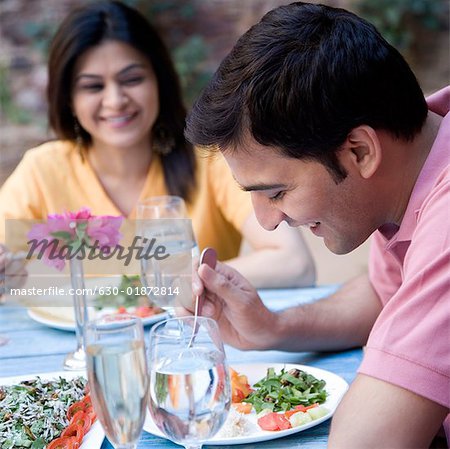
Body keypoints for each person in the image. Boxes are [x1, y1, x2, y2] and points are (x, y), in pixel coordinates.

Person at [184, 2, 449, 448]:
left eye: (276, 193)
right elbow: (389, 296)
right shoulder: (414, 160)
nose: (266, 223)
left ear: (360, 151)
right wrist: (272, 328)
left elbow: (366, 442)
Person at [0, 0, 316, 289]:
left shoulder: (210, 160)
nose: (115, 101)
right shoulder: (42, 171)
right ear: (67, 98)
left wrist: (168, 287)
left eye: (132, 79)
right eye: (93, 86)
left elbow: (294, 263)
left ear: (159, 81)